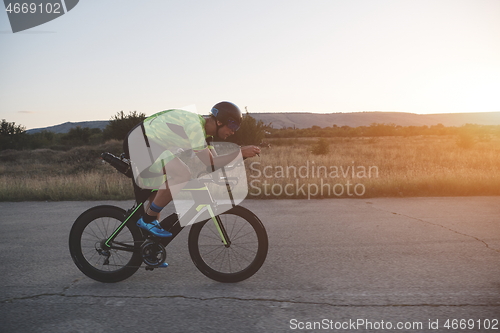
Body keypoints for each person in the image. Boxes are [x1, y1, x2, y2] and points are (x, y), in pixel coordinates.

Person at [125, 101, 261, 240]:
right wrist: (240, 152)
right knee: (182, 174)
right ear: (220, 121)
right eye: (233, 126)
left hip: (150, 143)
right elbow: (211, 162)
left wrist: (231, 169)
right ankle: (146, 220)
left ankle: (150, 250)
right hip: (141, 141)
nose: (233, 132)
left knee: (156, 198)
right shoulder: (195, 126)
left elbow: (213, 166)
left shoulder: (206, 135)